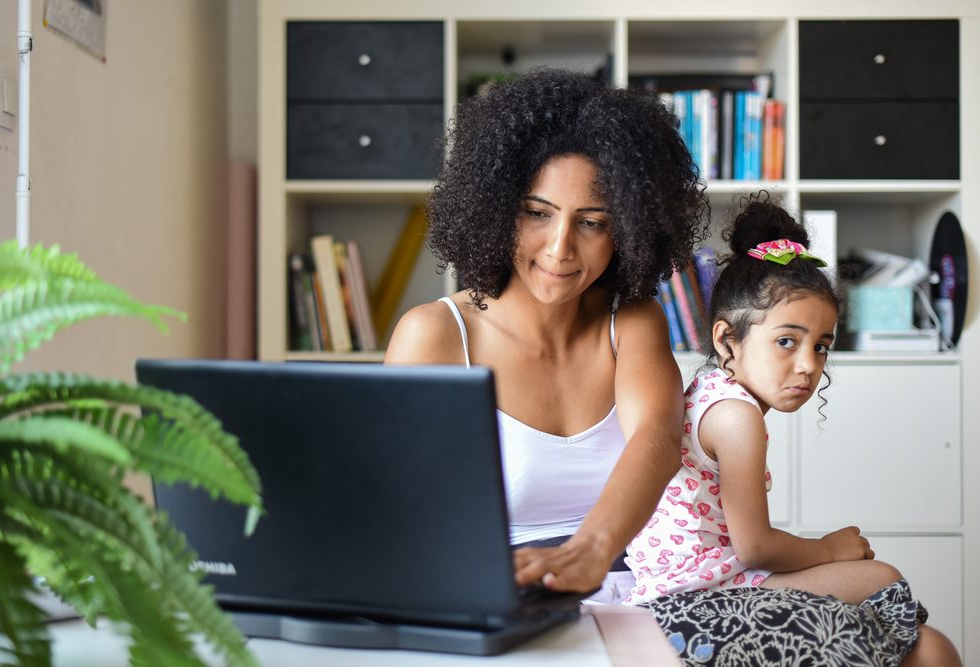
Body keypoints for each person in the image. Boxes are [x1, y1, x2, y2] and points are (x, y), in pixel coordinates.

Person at [385, 69, 959, 665]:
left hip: (650, 593)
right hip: (521, 604)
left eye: (593, 222)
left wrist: (593, 548)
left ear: (628, 229)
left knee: (932, 650)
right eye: (537, 213)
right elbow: (403, 520)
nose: (559, 249)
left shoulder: (629, 323)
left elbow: (657, 440)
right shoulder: (435, 337)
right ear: (496, 207)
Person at [625, 195, 901, 605]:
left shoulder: (714, 393)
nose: (809, 365)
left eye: (821, 346)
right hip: (694, 594)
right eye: (786, 341)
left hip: (699, 576)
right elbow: (755, 547)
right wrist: (826, 549)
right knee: (882, 578)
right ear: (726, 340)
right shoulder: (737, 417)